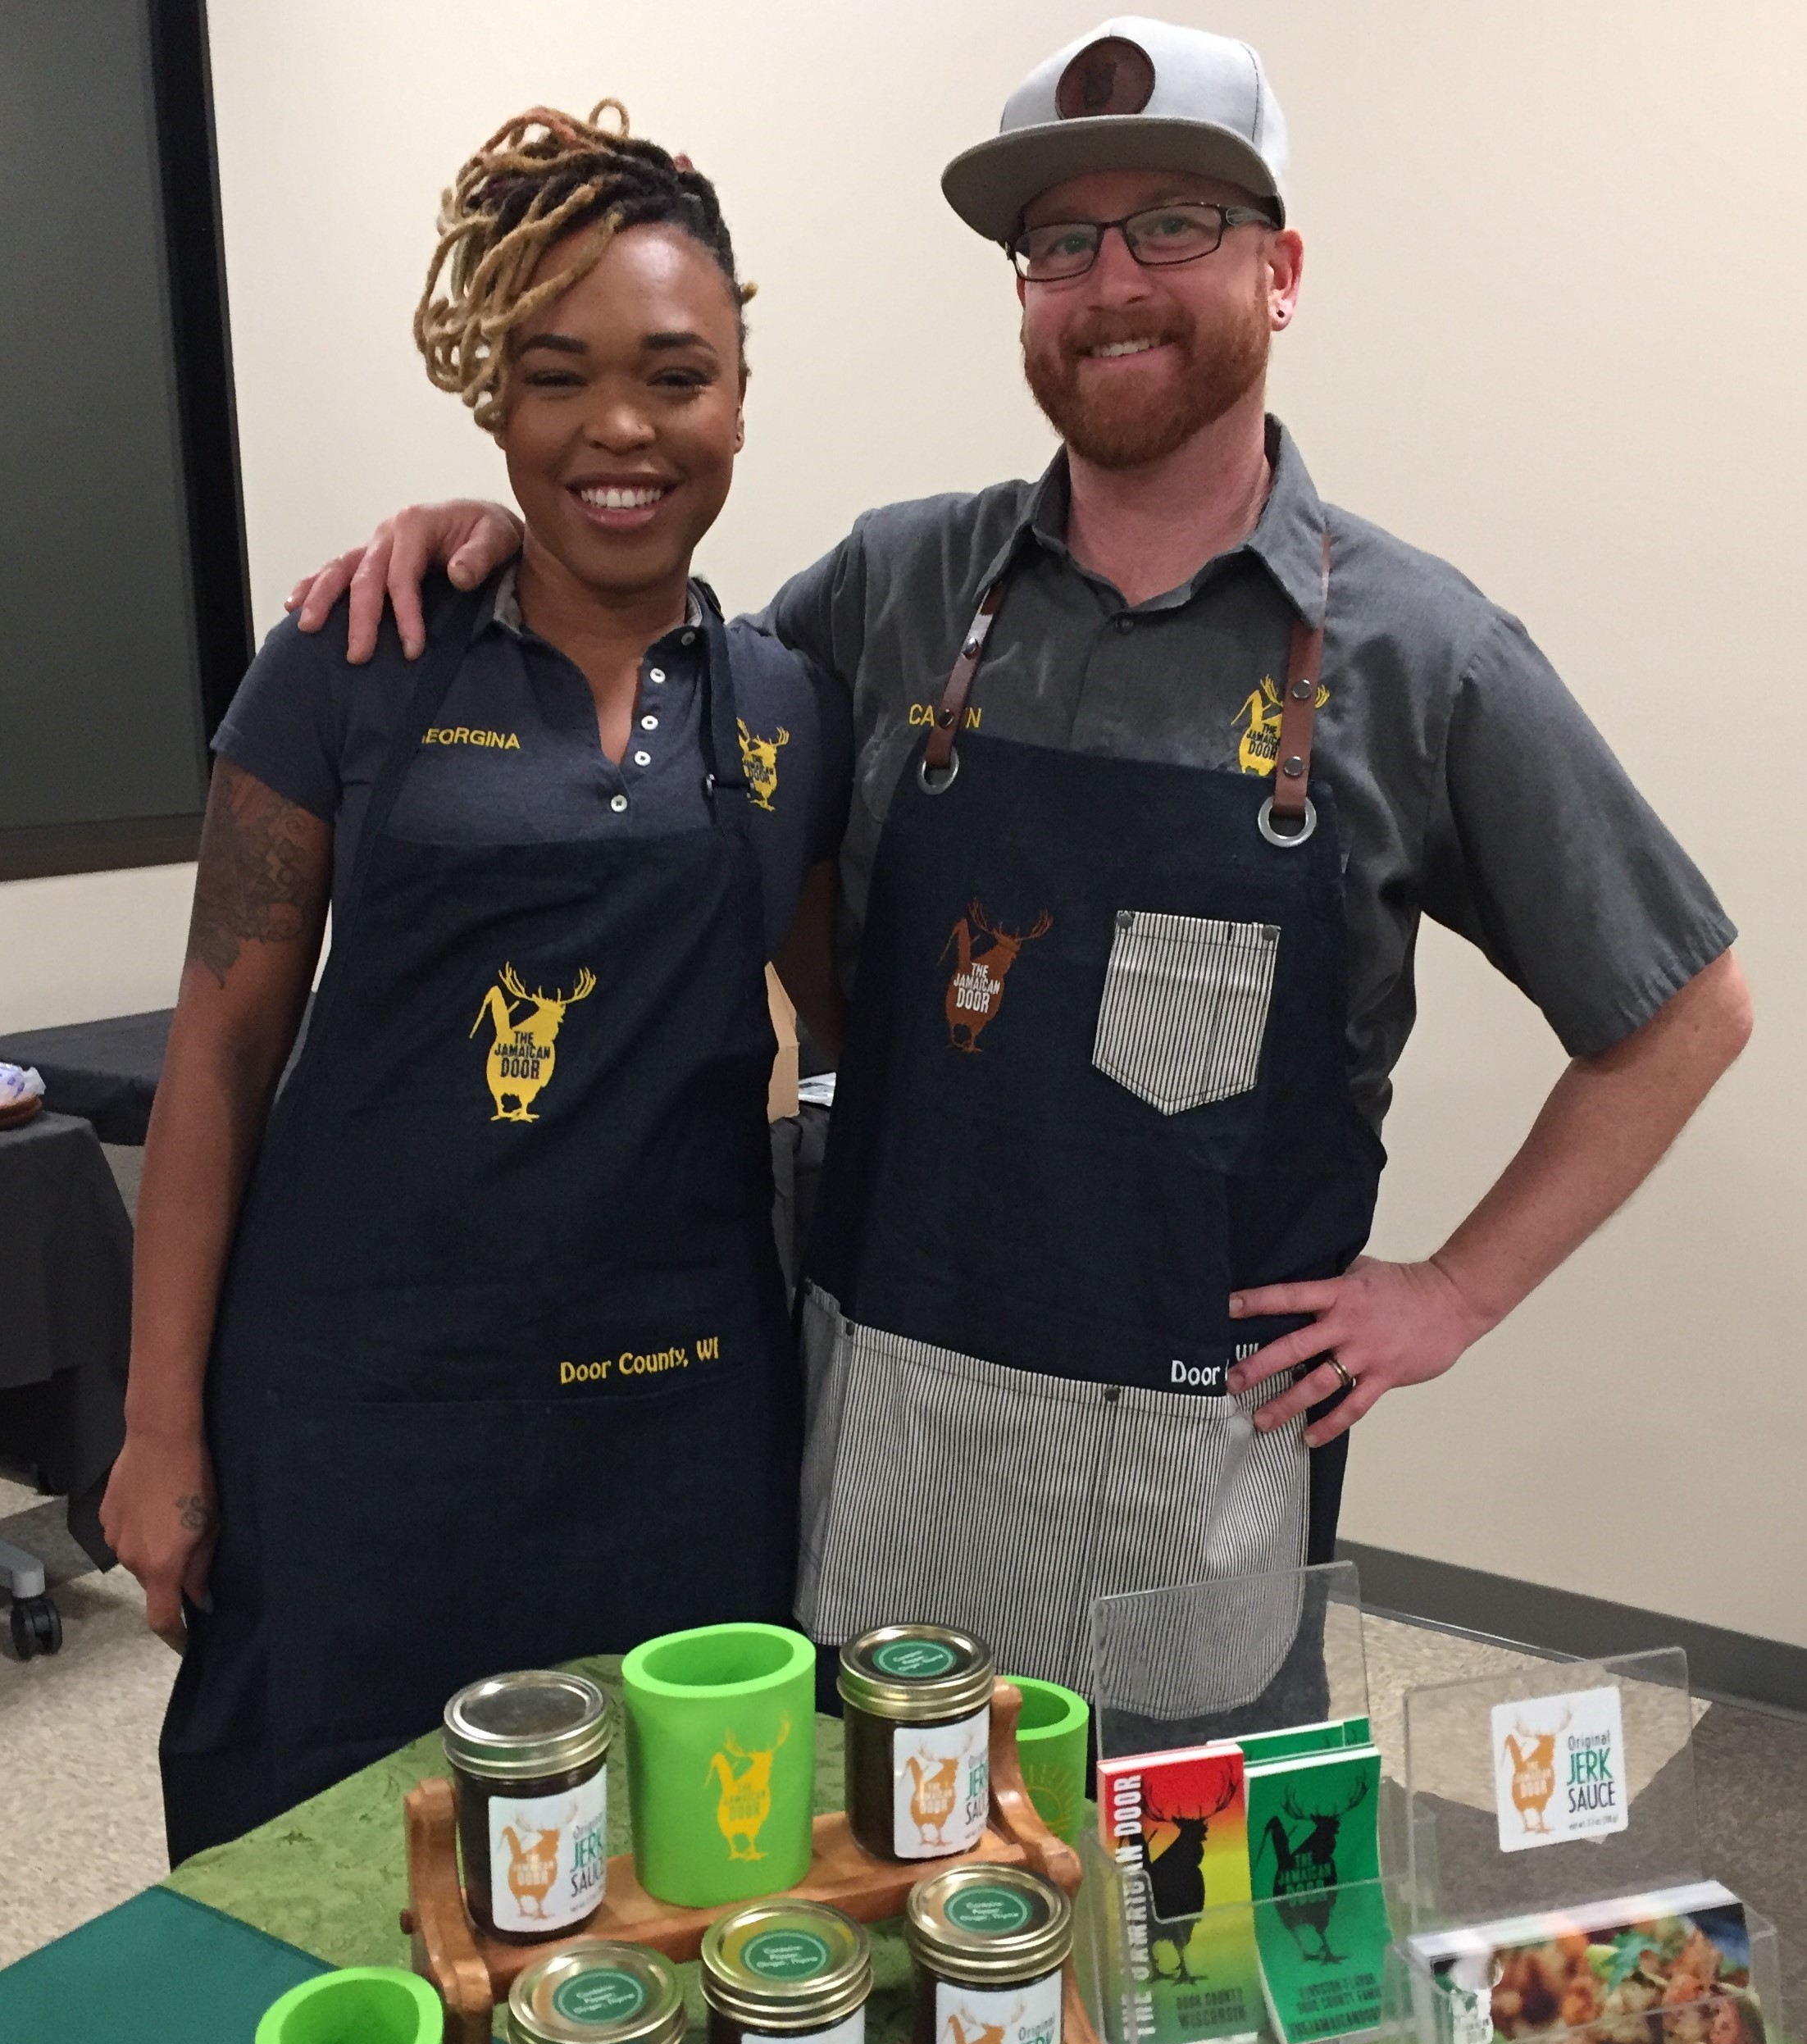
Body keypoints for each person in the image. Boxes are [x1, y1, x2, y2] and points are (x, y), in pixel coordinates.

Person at [289, 22, 1751, 1717]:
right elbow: (663, 711)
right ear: (1022, 292)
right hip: (881, 1442)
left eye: (1172, 228)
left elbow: (1683, 1008)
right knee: (867, 1926)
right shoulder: (900, 585)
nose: (1110, 280)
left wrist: (1452, 1292)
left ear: (1280, 272)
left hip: (1188, 1497)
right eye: (1060, 243)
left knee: (1163, 1952)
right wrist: (492, 556)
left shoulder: (1425, 661)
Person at [102, 102, 850, 1860]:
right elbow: (215, 1053)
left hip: (680, 1422)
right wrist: (156, 1429)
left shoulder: (789, 704)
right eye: (554, 373)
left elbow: (853, 1038)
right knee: (333, 1872)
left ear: (740, 389)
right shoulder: (351, 655)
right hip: (360, 1417)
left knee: (663, 1884)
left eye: (675, 374)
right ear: (491, 400)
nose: (618, 428)